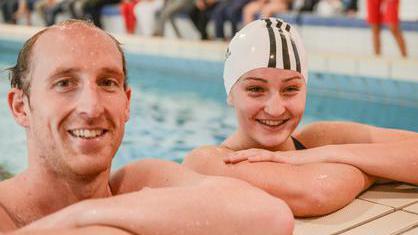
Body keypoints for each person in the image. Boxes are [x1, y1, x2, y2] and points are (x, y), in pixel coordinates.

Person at [0, 19, 294, 234]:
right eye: (64, 83)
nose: (91, 108)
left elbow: (271, 216)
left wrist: (80, 216)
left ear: (126, 103)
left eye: (107, 83)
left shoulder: (139, 180)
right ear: (20, 107)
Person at [183, 17, 418, 217]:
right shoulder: (206, 161)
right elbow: (317, 193)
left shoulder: (320, 138)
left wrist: (326, 153)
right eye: (256, 89)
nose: (275, 109)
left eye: (290, 89)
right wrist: (382, 167)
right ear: (230, 94)